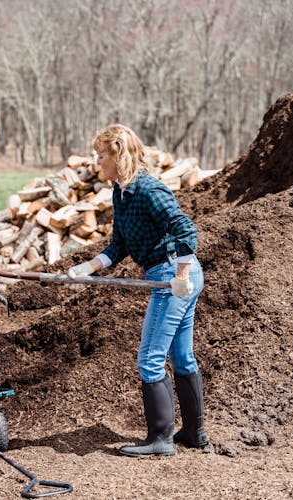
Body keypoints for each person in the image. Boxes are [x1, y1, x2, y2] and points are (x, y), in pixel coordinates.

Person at [68, 124, 209, 456]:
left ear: (117, 155)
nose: (96, 162)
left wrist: (181, 275)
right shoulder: (121, 192)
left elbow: (185, 230)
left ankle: (160, 439)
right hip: (173, 275)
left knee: (150, 359)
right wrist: (89, 267)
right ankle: (193, 433)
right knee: (181, 356)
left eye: (100, 156)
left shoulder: (148, 190)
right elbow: (119, 245)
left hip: (174, 276)